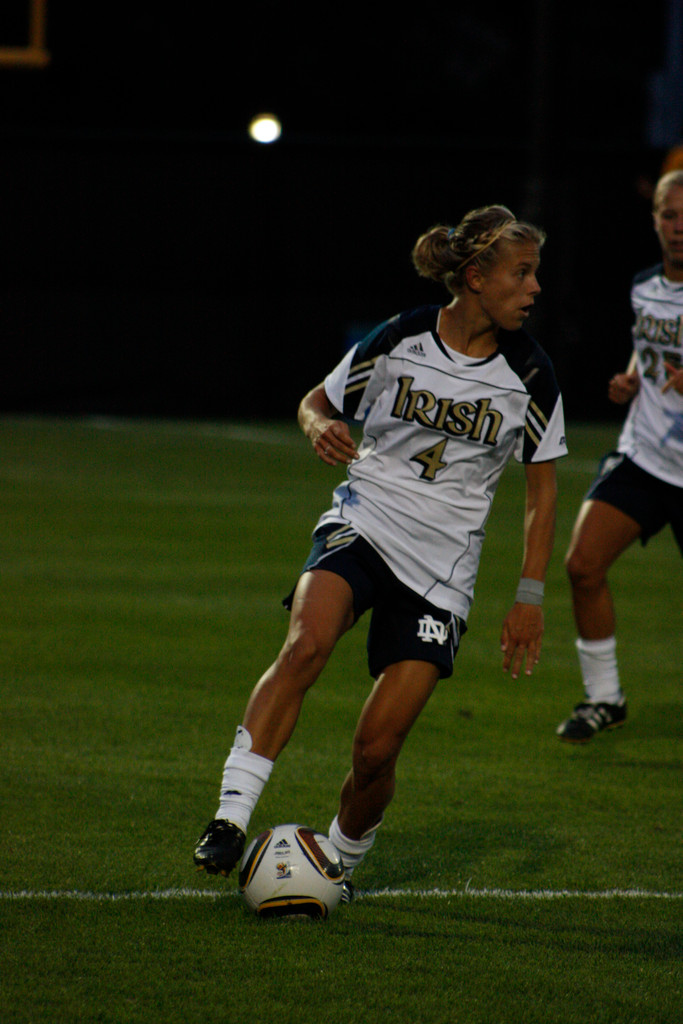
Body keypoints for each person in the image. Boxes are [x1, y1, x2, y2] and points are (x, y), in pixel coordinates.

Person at [194, 204, 567, 897]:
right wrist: (317, 427)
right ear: (477, 278)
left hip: (440, 575)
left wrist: (528, 596)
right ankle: (229, 816)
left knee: (376, 751)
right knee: (305, 645)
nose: (534, 287)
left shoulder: (532, 374)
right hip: (363, 523)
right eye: (522, 273)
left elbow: (541, 494)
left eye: (535, 274)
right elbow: (317, 400)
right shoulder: (402, 336)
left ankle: (336, 865)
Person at [557, 170, 683, 743]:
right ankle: (604, 698)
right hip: (646, 456)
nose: (679, 228)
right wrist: (632, 380)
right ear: (654, 219)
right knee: (582, 566)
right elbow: (647, 346)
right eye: (669, 215)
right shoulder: (644, 286)